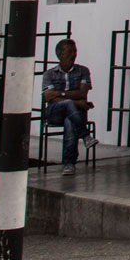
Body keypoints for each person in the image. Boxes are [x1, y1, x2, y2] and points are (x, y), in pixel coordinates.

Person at [43, 38, 95, 176]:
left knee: (69, 122)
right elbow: (47, 96)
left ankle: (69, 164)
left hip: (74, 114)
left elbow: (82, 92)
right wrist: (76, 101)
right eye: (69, 51)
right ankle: (85, 136)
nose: (73, 54)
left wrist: (59, 94)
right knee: (68, 104)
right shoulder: (50, 74)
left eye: (75, 51)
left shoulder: (83, 71)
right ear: (60, 55)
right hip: (55, 111)